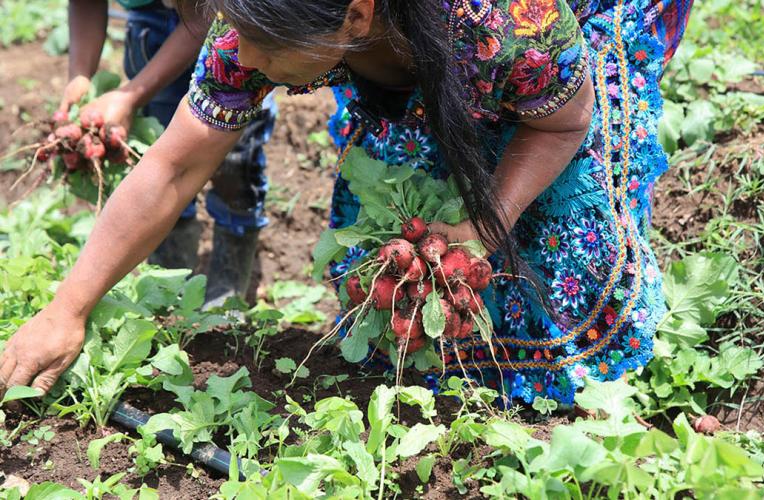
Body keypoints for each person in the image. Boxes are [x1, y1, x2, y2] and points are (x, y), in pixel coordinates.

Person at [0, 0, 693, 404]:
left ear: (355, 16)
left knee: (563, 240)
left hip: (567, 40)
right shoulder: (258, 18)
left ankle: (583, 397)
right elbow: (175, 167)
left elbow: (562, 120)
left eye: (262, 48)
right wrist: (67, 308)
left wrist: (486, 225)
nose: (240, 54)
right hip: (410, 50)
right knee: (396, 245)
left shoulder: (508, 21)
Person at [60, 0, 277, 306]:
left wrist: (132, 95)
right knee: (160, 150)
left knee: (236, 161)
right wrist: (80, 76)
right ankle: (171, 278)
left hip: (231, 25)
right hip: (151, 33)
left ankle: (230, 281)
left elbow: (204, 16)